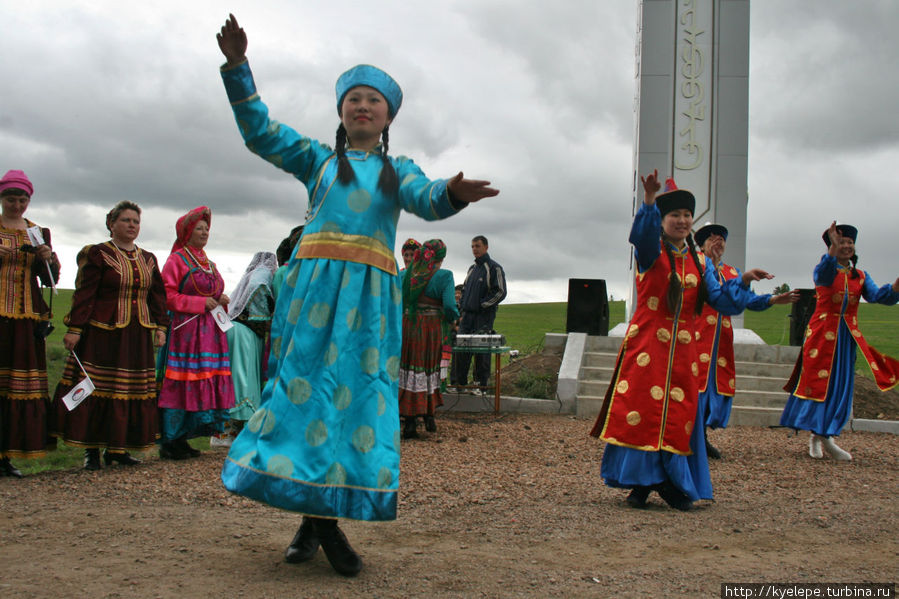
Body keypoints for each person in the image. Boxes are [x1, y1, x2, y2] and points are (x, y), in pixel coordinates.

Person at [216, 14, 498, 577]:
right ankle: (322, 526)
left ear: (389, 116)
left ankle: (316, 522)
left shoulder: (397, 171)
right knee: (301, 399)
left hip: (367, 306)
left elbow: (425, 196)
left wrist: (452, 194)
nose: (362, 107)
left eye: (374, 100)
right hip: (311, 295)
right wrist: (237, 69)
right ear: (342, 111)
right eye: (354, 99)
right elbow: (261, 133)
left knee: (352, 403)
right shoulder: (318, 160)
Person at [589, 171, 773, 511]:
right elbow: (640, 235)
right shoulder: (651, 252)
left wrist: (744, 280)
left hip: (685, 351)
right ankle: (649, 483)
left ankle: (659, 482)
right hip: (648, 345)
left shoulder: (700, 261)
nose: (683, 220)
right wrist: (648, 201)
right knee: (643, 411)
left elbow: (721, 301)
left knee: (679, 415)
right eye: (675, 215)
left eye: (687, 215)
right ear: (663, 220)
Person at [52, 202, 169, 470]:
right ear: (112, 223)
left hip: (137, 335)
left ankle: (118, 449)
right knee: (98, 389)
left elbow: (157, 297)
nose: (132, 226)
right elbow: (85, 293)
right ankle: (91, 450)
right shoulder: (97, 254)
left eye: (136, 222)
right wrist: (75, 328)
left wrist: (161, 327)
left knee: (128, 391)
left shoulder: (148, 258)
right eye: (126, 220)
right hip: (103, 333)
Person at [781, 222, 899, 461]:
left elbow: (879, 296)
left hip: (845, 338)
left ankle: (825, 435)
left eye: (849, 243)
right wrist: (832, 249)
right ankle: (818, 434)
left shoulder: (861, 277)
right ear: (832, 247)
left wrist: (895, 287)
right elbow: (824, 274)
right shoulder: (823, 270)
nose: (846, 246)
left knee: (840, 385)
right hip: (822, 334)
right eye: (841, 242)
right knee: (818, 383)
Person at [693, 222, 798, 459]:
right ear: (702, 244)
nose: (717, 241)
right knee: (695, 388)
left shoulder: (732, 273)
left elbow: (748, 299)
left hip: (721, 341)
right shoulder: (696, 266)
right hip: (697, 335)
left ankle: (701, 436)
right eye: (711, 238)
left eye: (721, 238)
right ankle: (694, 438)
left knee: (714, 390)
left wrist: (772, 300)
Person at [157, 206, 235, 460]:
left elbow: (209, 293)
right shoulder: (176, 260)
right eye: (199, 228)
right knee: (183, 382)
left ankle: (185, 437)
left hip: (209, 334)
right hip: (186, 333)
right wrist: (199, 304)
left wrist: (219, 298)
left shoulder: (208, 263)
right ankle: (171, 438)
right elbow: (166, 295)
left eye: (206, 229)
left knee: (202, 379)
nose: (204, 232)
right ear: (187, 232)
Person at [0, 170, 59, 477]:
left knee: (16, 385)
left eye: (22, 199)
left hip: (26, 318)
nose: (17, 205)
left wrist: (47, 258)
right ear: (2, 199)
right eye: (11, 199)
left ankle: (7, 454)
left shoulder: (37, 232)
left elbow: (52, 278)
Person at [210, 251, 278, 448]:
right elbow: (259, 287)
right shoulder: (263, 275)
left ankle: (225, 432)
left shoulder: (250, 274)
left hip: (235, 330)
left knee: (232, 379)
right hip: (245, 334)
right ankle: (229, 433)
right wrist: (264, 315)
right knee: (242, 381)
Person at [398, 239, 459, 438]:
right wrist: (453, 320)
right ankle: (429, 415)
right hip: (432, 330)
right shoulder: (444, 276)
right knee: (429, 368)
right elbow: (450, 306)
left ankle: (409, 422)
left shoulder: (404, 275)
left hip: (407, 328)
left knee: (409, 369)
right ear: (440, 258)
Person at [452, 235, 506, 394]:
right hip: (467, 317)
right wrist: (462, 309)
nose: (474, 249)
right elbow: (464, 290)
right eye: (472, 246)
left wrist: (483, 305)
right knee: (461, 348)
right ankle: (459, 384)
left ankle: (481, 385)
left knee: (481, 351)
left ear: (486, 247)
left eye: (477, 246)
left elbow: (501, 292)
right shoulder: (472, 269)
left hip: (483, 317)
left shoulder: (494, 268)